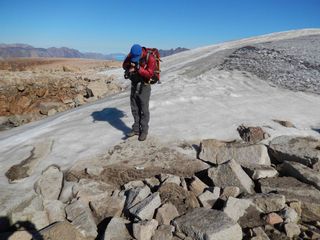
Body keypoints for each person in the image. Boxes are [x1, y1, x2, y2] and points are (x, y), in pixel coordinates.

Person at [122, 44, 156, 141]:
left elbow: (149, 74)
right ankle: (136, 129)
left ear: (141, 53)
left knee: (144, 108)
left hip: (144, 85)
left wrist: (138, 68)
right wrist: (129, 67)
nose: (134, 59)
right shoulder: (132, 54)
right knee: (134, 107)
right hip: (134, 84)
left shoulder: (150, 58)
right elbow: (124, 65)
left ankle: (144, 131)